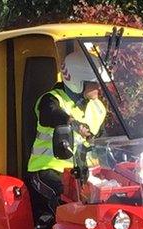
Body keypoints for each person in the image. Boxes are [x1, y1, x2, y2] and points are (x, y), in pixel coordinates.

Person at [27, 49, 109, 218]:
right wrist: (72, 123)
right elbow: (50, 113)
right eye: (94, 82)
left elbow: (106, 139)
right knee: (68, 200)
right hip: (47, 170)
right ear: (78, 81)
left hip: (83, 174)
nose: (99, 86)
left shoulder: (98, 107)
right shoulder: (52, 100)